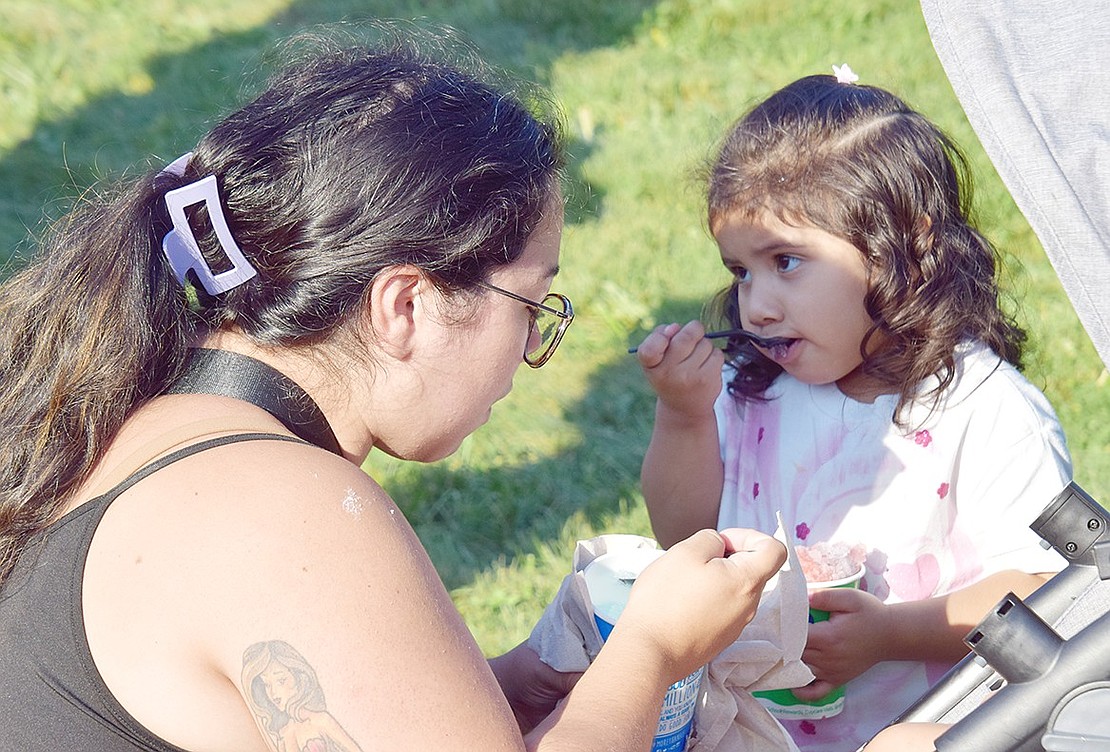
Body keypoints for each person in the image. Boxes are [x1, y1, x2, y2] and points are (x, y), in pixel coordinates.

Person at [0, 34, 787, 751]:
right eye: (532, 307)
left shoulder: (142, 421)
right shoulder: (292, 512)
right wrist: (652, 652)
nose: (532, 352)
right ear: (404, 305)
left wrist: (507, 688)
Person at [635, 70, 1071, 752]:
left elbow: (1048, 595)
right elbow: (683, 536)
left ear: (907, 249)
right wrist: (684, 418)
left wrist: (889, 635)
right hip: (756, 733)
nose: (759, 304)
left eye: (787, 261)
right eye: (741, 271)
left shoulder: (987, 410)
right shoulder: (754, 393)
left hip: (938, 731)